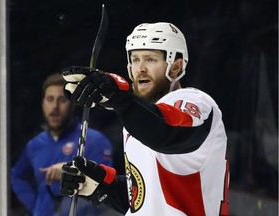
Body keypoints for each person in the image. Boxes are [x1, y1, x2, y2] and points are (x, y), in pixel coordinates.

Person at [60, 22, 230, 216]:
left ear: (176, 67)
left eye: (150, 60)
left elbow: (166, 132)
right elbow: (145, 199)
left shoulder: (197, 103)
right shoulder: (137, 119)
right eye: (135, 59)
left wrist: (119, 99)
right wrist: (102, 186)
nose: (140, 68)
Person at [11, 73, 114, 216]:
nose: (55, 107)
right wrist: (36, 205)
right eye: (50, 99)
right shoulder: (35, 145)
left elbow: (107, 185)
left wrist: (73, 171)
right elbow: (17, 176)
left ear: (72, 105)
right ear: (42, 103)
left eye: (62, 100)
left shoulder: (94, 140)